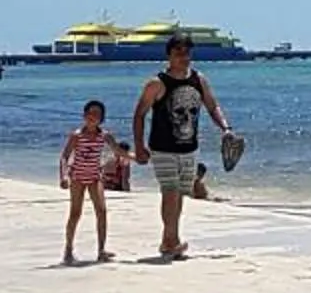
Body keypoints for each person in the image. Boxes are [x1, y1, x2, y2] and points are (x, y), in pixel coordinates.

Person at [130, 35, 232, 261]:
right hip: (162, 148)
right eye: (178, 53)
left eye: (187, 53)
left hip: (189, 148)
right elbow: (139, 115)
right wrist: (139, 146)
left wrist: (225, 128)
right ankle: (171, 241)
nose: (183, 57)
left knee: (180, 195)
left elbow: (212, 106)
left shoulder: (198, 79)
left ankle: (169, 241)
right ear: (169, 55)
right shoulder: (157, 83)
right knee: (170, 192)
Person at [59, 99, 117, 266]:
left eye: (97, 114)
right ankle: (68, 249)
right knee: (75, 213)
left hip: (94, 177)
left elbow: (118, 150)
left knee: (102, 211)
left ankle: (101, 250)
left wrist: (136, 157)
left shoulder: (104, 135)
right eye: (90, 113)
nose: (93, 116)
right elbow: (64, 156)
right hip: (77, 177)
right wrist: (64, 176)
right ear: (84, 115)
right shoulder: (77, 135)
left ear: (102, 118)